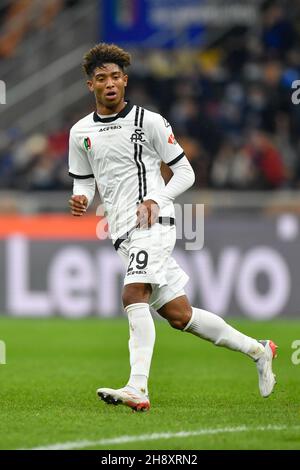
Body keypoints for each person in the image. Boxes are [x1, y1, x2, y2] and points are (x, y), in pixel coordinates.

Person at [68, 43, 277, 412]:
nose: (110, 83)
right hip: (121, 232)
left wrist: (156, 200)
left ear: (126, 80)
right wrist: (80, 197)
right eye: (101, 78)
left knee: (133, 294)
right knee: (180, 315)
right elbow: (84, 180)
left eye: (116, 76)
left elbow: (186, 171)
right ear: (91, 86)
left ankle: (138, 387)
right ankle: (260, 351)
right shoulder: (80, 132)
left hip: (154, 222)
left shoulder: (149, 121)